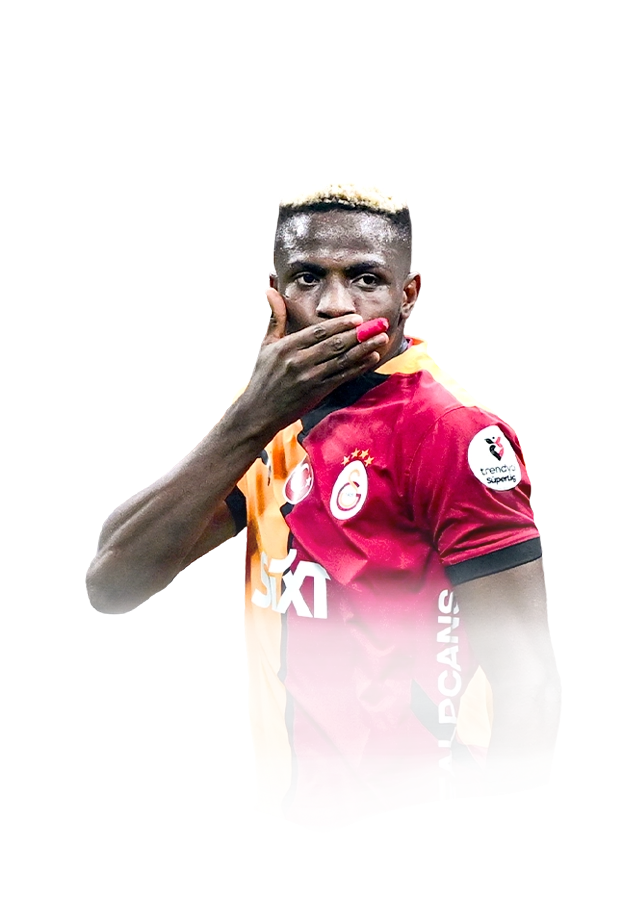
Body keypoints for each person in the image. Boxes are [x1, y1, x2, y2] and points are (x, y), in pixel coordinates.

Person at [86, 174, 561, 827]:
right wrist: (247, 418)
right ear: (275, 295)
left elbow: (529, 677)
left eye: (365, 279)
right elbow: (111, 584)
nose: (336, 305)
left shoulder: (450, 432)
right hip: (294, 813)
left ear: (408, 296)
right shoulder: (267, 428)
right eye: (308, 278)